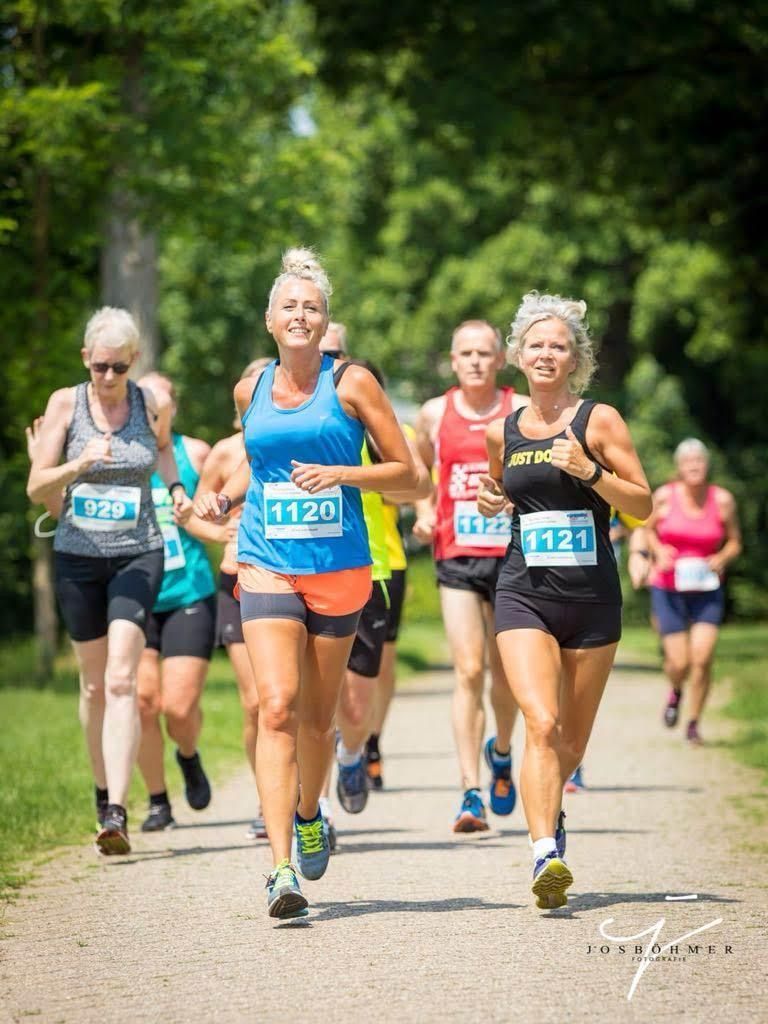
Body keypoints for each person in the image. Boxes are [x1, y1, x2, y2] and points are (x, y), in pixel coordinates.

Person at [194, 248, 417, 919]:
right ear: (269, 319)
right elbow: (260, 471)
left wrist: (345, 476)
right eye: (288, 305)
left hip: (340, 569)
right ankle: (280, 867)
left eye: (311, 307)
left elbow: (413, 479)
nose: (299, 315)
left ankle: (311, 811)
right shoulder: (251, 390)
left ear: (325, 324)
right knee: (278, 705)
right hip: (265, 560)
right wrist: (224, 504)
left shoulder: (352, 387)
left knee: (320, 719)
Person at [478, 291, 652, 909]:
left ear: (575, 358)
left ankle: (553, 816)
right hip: (524, 591)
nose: (547, 354)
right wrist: (489, 500)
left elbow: (641, 504)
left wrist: (589, 472)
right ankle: (543, 853)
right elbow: (498, 489)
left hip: (592, 601)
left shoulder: (598, 420)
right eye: (536, 344)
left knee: (570, 742)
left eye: (559, 345)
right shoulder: (505, 428)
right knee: (540, 722)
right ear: (518, 354)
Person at [26, 307, 192, 855]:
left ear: (134, 362)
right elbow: (35, 485)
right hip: (78, 556)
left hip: (138, 553)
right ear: (85, 360)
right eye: (100, 366)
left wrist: (174, 491)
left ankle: (118, 812)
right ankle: (101, 794)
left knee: (123, 678)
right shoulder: (65, 404)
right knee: (95, 685)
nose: (109, 377)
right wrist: (78, 465)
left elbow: (163, 451)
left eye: (119, 367)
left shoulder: (151, 403)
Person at [413, 320, 525, 832]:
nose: (476, 360)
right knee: (468, 670)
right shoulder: (434, 414)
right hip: (456, 553)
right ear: (453, 361)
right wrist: (423, 508)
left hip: (512, 554)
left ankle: (500, 750)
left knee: (506, 676)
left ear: (500, 359)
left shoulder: (519, 408)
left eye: (485, 352)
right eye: (466, 353)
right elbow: (416, 471)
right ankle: (469, 792)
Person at [335, 360, 431, 811]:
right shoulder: (318, 425)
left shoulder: (392, 431)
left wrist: (367, 476)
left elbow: (417, 488)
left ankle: (364, 742)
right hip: (315, 565)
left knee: (376, 671)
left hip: (380, 562)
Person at [134, 372, 218, 831]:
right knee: (144, 703)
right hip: (135, 595)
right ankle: (157, 801)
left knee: (178, 709)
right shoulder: (121, 458)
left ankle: (188, 754)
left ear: (172, 411)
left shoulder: (195, 453)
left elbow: (222, 505)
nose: (151, 416)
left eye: (159, 408)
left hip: (189, 591)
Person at [196, 357, 273, 839]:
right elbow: (195, 513)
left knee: (289, 701)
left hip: (288, 575)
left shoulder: (295, 444)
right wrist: (222, 528)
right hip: (236, 580)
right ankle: (270, 799)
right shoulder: (225, 453)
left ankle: (307, 795)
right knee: (255, 702)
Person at [646, 439, 741, 744]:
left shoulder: (723, 500)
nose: (694, 467)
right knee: (679, 662)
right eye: (688, 462)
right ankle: (675, 691)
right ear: (679, 468)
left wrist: (722, 557)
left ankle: (694, 723)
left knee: (702, 658)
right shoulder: (664, 496)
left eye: (699, 461)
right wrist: (658, 550)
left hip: (706, 589)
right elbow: (645, 530)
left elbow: (735, 542)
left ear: (707, 465)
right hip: (669, 587)